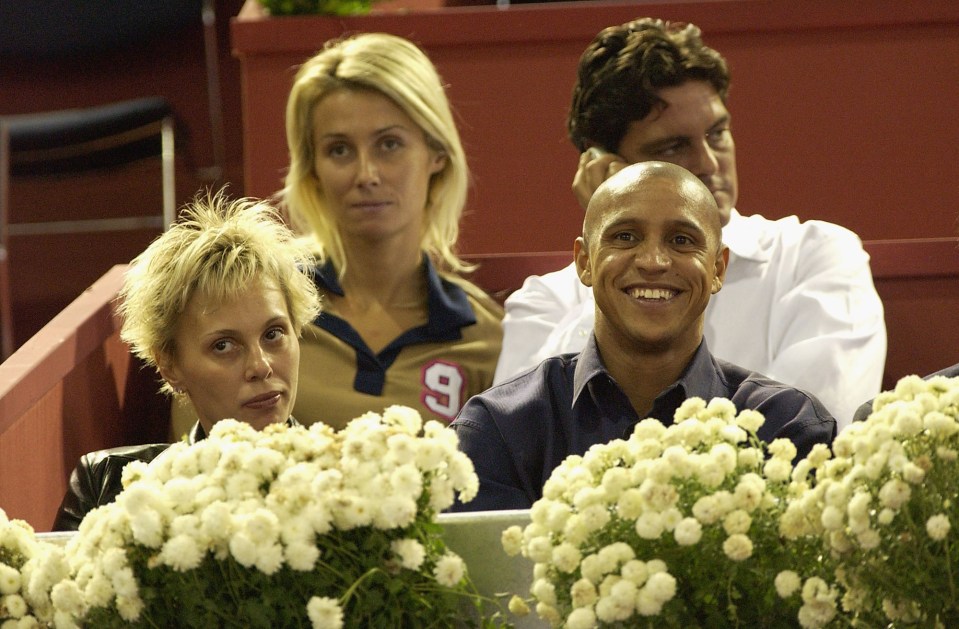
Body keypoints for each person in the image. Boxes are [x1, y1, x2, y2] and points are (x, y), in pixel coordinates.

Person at [494, 18, 886, 430]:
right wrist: (610, 275)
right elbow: (528, 440)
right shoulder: (543, 304)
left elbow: (815, 434)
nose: (709, 164)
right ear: (607, 167)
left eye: (717, 134)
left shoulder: (814, 258)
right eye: (673, 146)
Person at [450, 161, 836, 511]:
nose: (653, 261)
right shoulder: (499, 429)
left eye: (682, 240)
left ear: (718, 268)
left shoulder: (785, 427)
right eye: (625, 237)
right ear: (584, 262)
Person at [52, 193, 321, 531]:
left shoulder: (356, 484)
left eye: (273, 334)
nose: (261, 366)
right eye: (224, 345)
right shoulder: (110, 489)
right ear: (170, 367)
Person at [281, 32, 503, 430]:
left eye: (389, 144)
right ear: (312, 169)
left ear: (436, 153)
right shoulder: (266, 300)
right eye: (339, 150)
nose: (366, 175)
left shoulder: (488, 337)